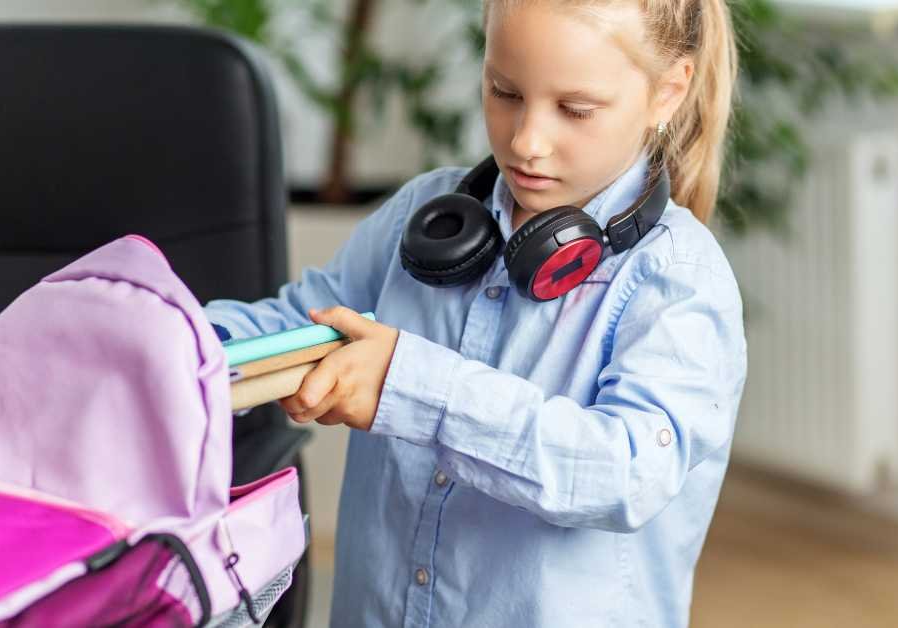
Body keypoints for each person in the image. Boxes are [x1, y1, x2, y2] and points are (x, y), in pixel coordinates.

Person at [206, 0, 747, 625]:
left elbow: (625, 472)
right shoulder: (424, 211)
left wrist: (414, 386)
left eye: (575, 109)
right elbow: (296, 323)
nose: (527, 140)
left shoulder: (679, 281)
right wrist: (169, 341)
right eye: (504, 91)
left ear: (667, 93)